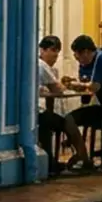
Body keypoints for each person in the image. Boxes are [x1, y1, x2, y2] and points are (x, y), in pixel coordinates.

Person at [61, 35, 102, 174]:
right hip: (100, 104)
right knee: (69, 120)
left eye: (78, 55)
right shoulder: (84, 63)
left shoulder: (101, 59)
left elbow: (94, 87)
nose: (77, 59)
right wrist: (73, 84)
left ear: (86, 52)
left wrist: (76, 85)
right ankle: (83, 157)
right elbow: (85, 84)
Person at [37, 36, 69, 172]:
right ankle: (81, 155)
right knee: (68, 123)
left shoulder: (42, 66)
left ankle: (50, 161)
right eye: (52, 50)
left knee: (47, 127)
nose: (55, 54)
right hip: (37, 111)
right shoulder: (42, 65)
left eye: (58, 51)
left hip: (35, 111)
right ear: (42, 50)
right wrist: (66, 85)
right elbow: (57, 89)